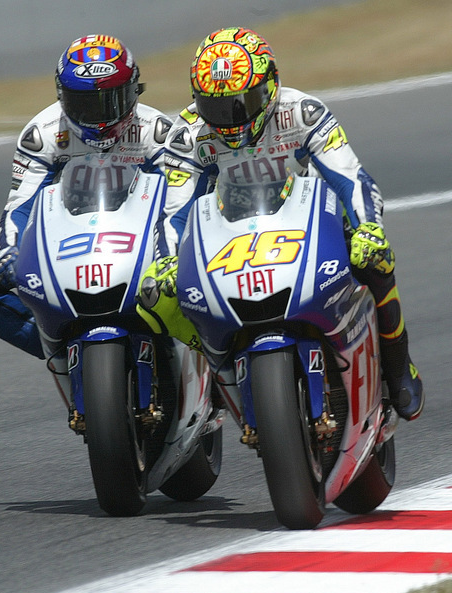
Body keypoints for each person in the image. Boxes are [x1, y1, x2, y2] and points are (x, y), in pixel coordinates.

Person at [137, 26, 424, 421]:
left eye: (243, 103)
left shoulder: (302, 113)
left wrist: (367, 227)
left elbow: (350, 177)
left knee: (375, 260)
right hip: (229, 235)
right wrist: (167, 259)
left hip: (312, 224)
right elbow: (174, 209)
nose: (230, 119)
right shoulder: (188, 136)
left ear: (270, 86)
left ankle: (398, 366)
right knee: (159, 293)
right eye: (215, 107)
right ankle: (217, 367)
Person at [0, 34, 172, 403]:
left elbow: (181, 199)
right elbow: (20, 205)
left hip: (142, 234)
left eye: (111, 100)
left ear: (133, 92)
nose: (99, 115)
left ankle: (202, 360)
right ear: (61, 96)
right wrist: (12, 249)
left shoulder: (156, 131)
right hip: (65, 234)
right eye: (84, 103)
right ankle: (60, 343)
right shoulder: (44, 134)